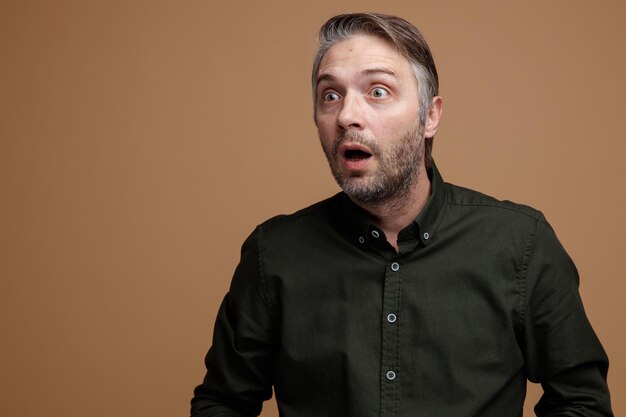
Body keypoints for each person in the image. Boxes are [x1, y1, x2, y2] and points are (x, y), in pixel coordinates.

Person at [191, 12, 613, 417]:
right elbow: (221, 403)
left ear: (430, 116)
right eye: (330, 95)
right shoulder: (273, 254)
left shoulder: (521, 243)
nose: (347, 116)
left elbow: (581, 403)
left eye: (378, 91)